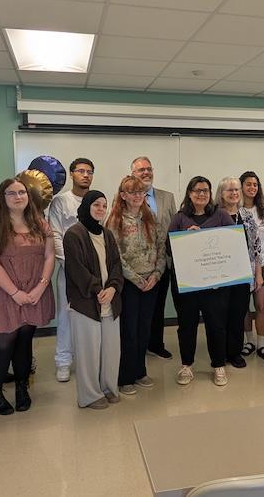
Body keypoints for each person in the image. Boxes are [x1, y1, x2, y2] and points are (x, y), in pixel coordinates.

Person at [0, 178, 55, 414]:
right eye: (12, 193)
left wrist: (40, 286)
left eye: (22, 192)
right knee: (2, 346)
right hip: (2, 294)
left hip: (34, 291)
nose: (18, 196)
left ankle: (22, 387)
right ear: (3, 197)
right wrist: (15, 292)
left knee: (24, 342)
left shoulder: (40, 223)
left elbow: (49, 257)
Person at [168, 176, 234, 387]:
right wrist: (185, 239)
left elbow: (233, 242)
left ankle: (218, 365)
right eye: (197, 190)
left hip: (215, 285)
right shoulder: (179, 218)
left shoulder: (221, 215)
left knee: (216, 325)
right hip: (186, 285)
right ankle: (186, 365)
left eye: (205, 190)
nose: (202, 194)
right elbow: (169, 248)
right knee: (186, 325)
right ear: (189, 193)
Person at [64, 191, 125, 409]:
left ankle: (108, 387)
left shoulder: (107, 234)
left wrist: (113, 288)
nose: (100, 209)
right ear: (87, 206)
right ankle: (90, 395)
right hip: (87, 303)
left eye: (104, 205)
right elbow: (76, 268)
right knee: (89, 351)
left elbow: (117, 265)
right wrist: (99, 289)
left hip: (110, 299)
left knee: (111, 350)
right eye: (96, 205)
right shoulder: (74, 234)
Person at [105, 176, 165, 396]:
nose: (137, 196)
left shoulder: (151, 218)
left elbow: (161, 248)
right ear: (123, 195)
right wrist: (136, 279)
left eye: (140, 192)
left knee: (144, 329)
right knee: (128, 331)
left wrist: (157, 274)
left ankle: (140, 371)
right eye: (132, 192)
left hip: (152, 282)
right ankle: (125, 377)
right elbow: (115, 256)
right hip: (129, 284)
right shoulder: (114, 221)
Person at [48, 157, 94, 383]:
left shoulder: (97, 200)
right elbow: (55, 234)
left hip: (93, 272)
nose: (85, 175)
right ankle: (63, 362)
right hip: (68, 270)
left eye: (89, 172)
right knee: (66, 316)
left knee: (90, 316)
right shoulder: (60, 202)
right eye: (81, 171)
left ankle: (89, 359)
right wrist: (72, 264)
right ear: (72, 174)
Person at [132, 156, 178, 360]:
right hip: (137, 266)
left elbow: (175, 227)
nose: (146, 173)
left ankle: (156, 344)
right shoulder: (127, 197)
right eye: (141, 170)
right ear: (132, 174)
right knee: (139, 310)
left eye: (149, 169)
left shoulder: (167, 197)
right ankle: (137, 347)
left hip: (164, 262)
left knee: (158, 306)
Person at [216, 177, 264, 369]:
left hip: (243, 274)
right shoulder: (214, 215)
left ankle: (234, 353)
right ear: (221, 194)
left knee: (238, 314)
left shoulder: (247, 215)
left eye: (236, 189)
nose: (234, 193)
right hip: (219, 275)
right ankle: (219, 353)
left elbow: (256, 246)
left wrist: (258, 273)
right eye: (229, 190)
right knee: (220, 316)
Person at [239, 171, 264, 361]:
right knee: (244, 307)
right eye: (248, 184)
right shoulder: (235, 209)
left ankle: (261, 343)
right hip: (240, 266)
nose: (252, 188)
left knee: (261, 306)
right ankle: (249, 341)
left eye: (255, 184)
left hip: (262, 263)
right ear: (241, 186)